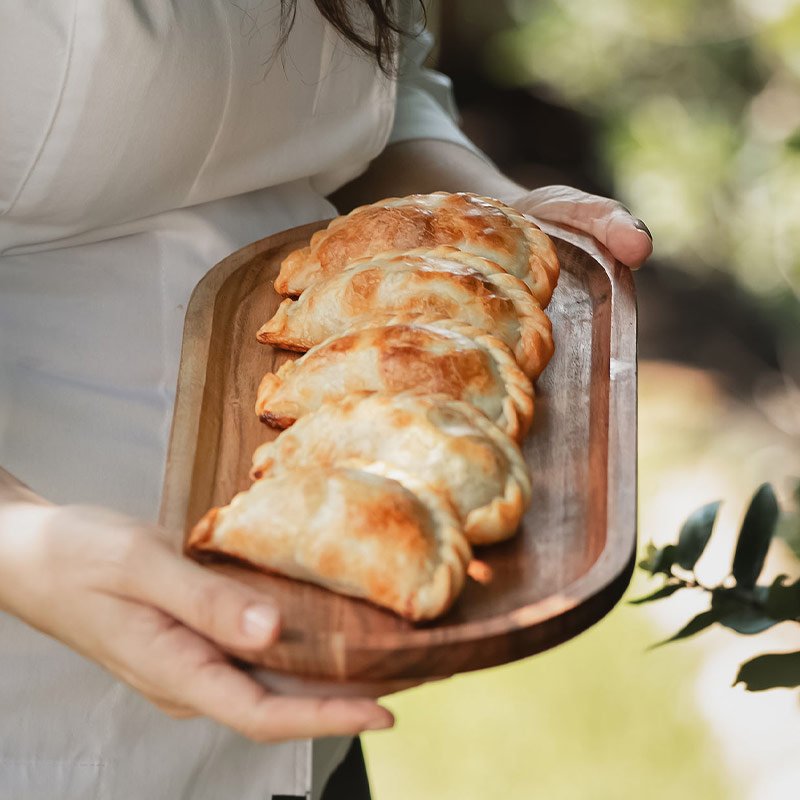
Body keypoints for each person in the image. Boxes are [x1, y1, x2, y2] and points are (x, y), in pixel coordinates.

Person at [0, 1, 652, 798]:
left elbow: (374, 94)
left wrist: (481, 221)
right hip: (38, 681)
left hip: (315, 677)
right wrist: (19, 543)